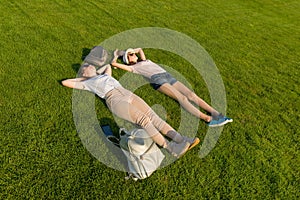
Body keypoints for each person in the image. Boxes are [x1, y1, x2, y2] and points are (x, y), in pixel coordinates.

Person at [61, 64, 200, 158]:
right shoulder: (87, 83)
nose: (88, 65)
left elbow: (108, 66)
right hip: (115, 100)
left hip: (127, 94)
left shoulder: (105, 75)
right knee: (143, 120)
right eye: (85, 66)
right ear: (84, 74)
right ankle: (171, 148)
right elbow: (65, 82)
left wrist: (95, 73)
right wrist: (85, 78)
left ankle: (181, 139)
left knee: (154, 116)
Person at [111, 48, 233, 127]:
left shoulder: (144, 60)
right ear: (128, 60)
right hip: (158, 81)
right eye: (131, 54)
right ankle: (207, 119)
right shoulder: (133, 68)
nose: (134, 54)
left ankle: (216, 113)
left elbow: (140, 49)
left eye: (132, 53)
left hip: (167, 76)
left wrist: (128, 51)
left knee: (191, 94)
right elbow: (113, 64)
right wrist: (116, 55)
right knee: (183, 99)